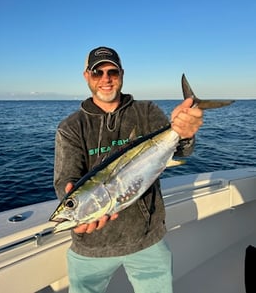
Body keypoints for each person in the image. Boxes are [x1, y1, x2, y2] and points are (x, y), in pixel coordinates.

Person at [54, 46, 203, 293]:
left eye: (112, 71)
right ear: (86, 76)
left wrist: (185, 133)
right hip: (91, 246)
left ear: (121, 73)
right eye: (97, 72)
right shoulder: (71, 127)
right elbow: (66, 182)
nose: (105, 79)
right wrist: (71, 204)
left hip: (147, 239)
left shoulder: (146, 112)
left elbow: (181, 152)